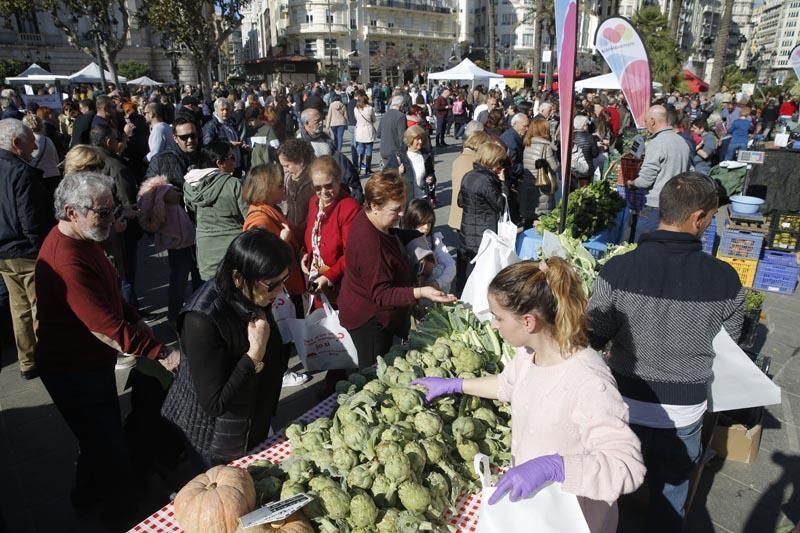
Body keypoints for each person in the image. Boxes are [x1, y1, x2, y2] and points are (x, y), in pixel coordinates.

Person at [412, 257, 645, 532]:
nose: (493, 325)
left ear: (528, 321)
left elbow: (626, 467)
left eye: (498, 317)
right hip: (537, 512)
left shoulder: (589, 381)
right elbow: (508, 385)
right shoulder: (529, 356)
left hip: (575, 518)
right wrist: (455, 385)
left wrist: (556, 467)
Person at [587, 172, 744, 532]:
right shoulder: (725, 278)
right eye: (711, 217)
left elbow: (593, 334)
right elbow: (730, 346)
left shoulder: (618, 268)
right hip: (684, 410)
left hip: (625, 403)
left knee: (613, 489)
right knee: (671, 497)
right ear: (698, 217)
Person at [34, 172, 178, 522]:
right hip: (73, 369)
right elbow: (103, 326)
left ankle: (85, 494)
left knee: (95, 437)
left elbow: (108, 291)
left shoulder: (85, 237)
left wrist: (134, 315)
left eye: (113, 210)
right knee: (107, 444)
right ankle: (123, 517)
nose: (112, 220)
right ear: (71, 212)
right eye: (102, 212)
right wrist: (160, 353)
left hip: (87, 363)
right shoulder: (66, 259)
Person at [161, 229, 291, 472]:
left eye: (284, 280)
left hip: (253, 418)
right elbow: (215, 403)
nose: (280, 291)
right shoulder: (201, 320)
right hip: (217, 437)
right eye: (273, 285)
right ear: (238, 277)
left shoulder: (254, 294)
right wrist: (255, 355)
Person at [337, 171, 456, 369]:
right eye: (395, 209)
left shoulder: (371, 219)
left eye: (402, 206)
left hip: (374, 311)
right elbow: (381, 294)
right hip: (369, 319)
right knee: (374, 369)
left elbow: (392, 234)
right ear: (375, 205)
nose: (401, 213)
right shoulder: (369, 244)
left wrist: (414, 235)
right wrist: (420, 292)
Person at [0, 118, 50, 380]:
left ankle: (27, 360)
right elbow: (30, 217)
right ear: (17, 143)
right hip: (24, 251)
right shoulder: (21, 172)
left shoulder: (19, 169)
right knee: (38, 307)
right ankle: (42, 357)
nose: (34, 148)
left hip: (5, 253)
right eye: (31, 142)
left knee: (19, 308)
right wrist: (38, 248)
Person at [183, 141, 249, 281]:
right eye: (231, 157)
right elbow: (249, 218)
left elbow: (191, 214)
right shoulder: (234, 184)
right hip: (233, 249)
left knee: (213, 294)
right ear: (220, 163)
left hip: (206, 251)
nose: (234, 159)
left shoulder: (190, 185)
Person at [302, 155, 361, 302]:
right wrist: (305, 254)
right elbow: (311, 234)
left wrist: (329, 276)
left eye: (328, 186)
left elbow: (352, 253)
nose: (323, 192)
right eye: (317, 188)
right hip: (316, 279)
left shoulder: (349, 208)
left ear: (338, 180)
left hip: (339, 285)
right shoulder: (313, 202)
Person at [630, 105, 692, 240]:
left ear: (652, 121)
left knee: (644, 246)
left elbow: (645, 181)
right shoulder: (681, 141)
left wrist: (632, 183)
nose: (646, 126)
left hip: (655, 206)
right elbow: (690, 172)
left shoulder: (657, 143)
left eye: (646, 122)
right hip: (675, 205)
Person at [457, 142, 510, 290]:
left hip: (466, 231)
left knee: (465, 273)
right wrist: (503, 184)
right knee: (482, 274)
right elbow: (501, 204)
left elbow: (460, 202)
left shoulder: (468, 176)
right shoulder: (488, 181)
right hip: (484, 233)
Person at [402, 199, 455, 292]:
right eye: (422, 223)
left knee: (440, 269)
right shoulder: (401, 242)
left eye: (429, 223)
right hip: (410, 292)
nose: (426, 227)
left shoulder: (434, 240)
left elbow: (450, 265)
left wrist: (437, 283)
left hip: (433, 289)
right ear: (411, 222)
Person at [522, 117, 560, 226]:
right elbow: (554, 167)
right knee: (543, 220)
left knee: (530, 217)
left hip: (528, 184)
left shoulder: (527, 144)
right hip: (543, 186)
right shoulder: (546, 147)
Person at [384, 125, 436, 204]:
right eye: (418, 139)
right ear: (410, 139)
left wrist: (431, 178)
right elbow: (385, 175)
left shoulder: (426, 155)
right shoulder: (399, 155)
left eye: (422, 139)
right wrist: (397, 171)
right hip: (405, 200)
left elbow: (431, 172)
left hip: (422, 198)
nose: (421, 142)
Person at [277, 138, 316, 238]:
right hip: (293, 232)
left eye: (287, 166)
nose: (284, 170)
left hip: (308, 233)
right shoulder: (289, 179)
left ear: (300, 161)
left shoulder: (314, 182)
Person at [202, 98, 242, 169]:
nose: (225, 112)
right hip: (222, 166)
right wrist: (228, 144)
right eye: (222, 110)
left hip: (235, 164)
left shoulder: (231, 123)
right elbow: (208, 144)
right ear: (216, 110)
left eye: (227, 109)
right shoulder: (211, 126)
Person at [378, 95, 407, 165]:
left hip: (383, 150)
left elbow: (379, 134)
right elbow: (402, 137)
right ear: (401, 105)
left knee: (387, 173)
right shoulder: (401, 116)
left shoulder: (385, 115)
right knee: (395, 174)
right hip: (395, 152)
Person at [353, 94, 378, 176]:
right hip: (368, 130)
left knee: (361, 149)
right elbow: (374, 119)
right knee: (369, 149)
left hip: (360, 130)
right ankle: (368, 168)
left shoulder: (356, 109)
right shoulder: (370, 108)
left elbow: (356, 119)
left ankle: (360, 167)